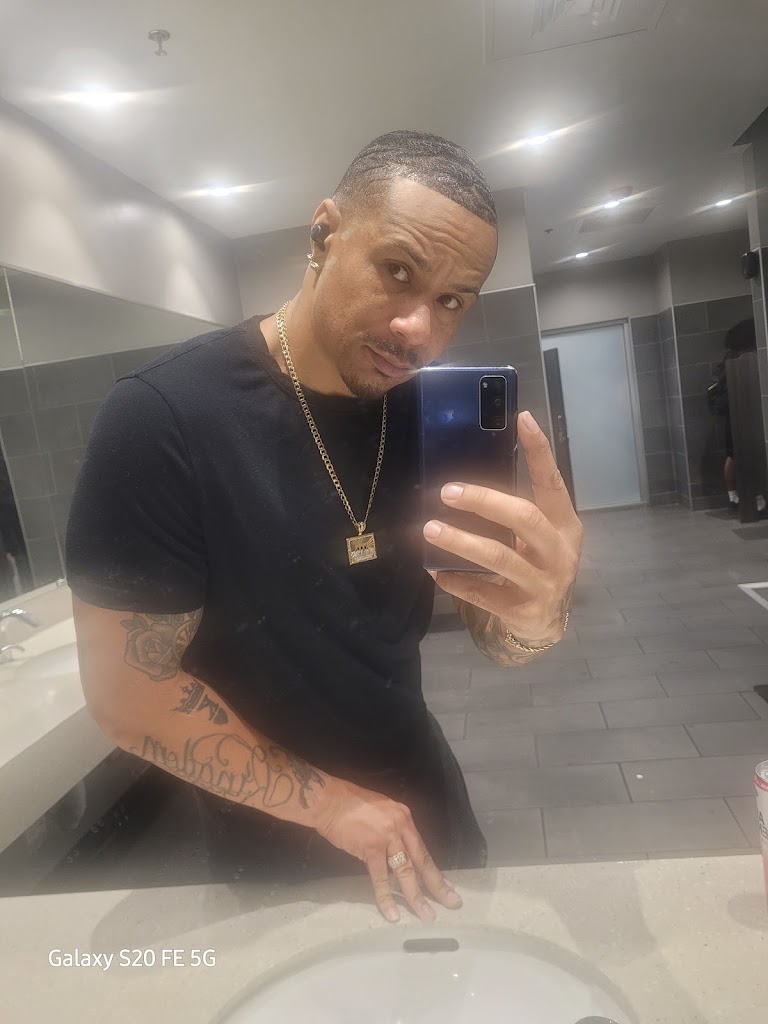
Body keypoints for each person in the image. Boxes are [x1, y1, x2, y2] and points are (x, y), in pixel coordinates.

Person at [65, 130, 582, 923]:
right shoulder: (163, 418)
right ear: (323, 233)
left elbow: (492, 628)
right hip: (271, 863)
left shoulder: (429, 419)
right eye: (398, 270)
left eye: (452, 300)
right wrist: (332, 806)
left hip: (432, 820)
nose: (418, 330)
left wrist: (540, 616)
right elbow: (127, 695)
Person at [708, 318, 766, 512]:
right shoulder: (746, 357)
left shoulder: (729, 357)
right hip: (747, 413)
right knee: (746, 454)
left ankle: (734, 496)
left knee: (733, 454)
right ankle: (753, 495)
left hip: (734, 414)